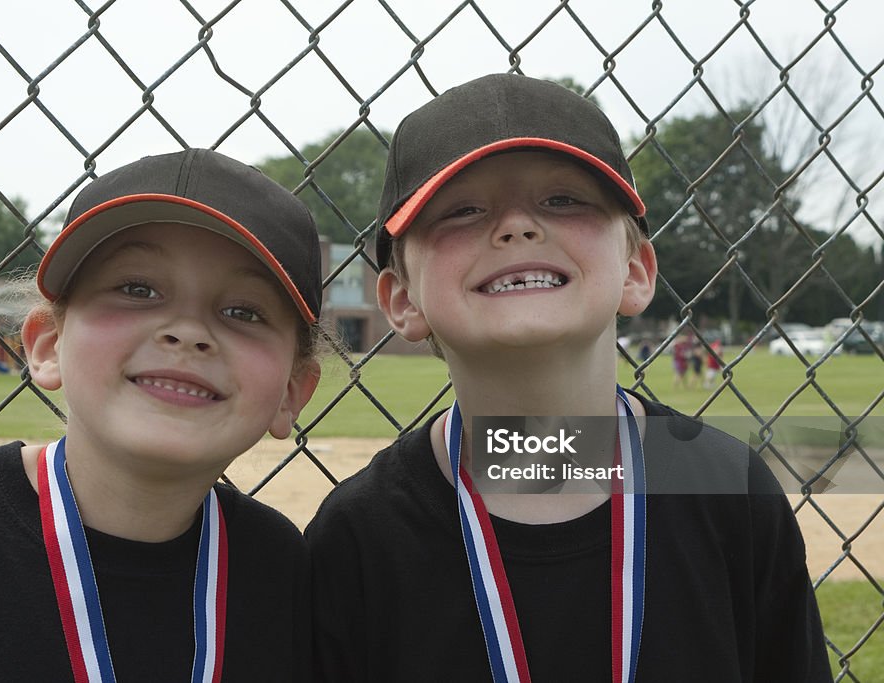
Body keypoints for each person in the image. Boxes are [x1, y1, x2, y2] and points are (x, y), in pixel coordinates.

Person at [305, 74, 830, 682]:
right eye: (464, 210)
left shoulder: (727, 492)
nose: (517, 227)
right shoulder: (357, 539)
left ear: (635, 268)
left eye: (563, 200)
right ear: (401, 300)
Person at [0, 149, 323, 682]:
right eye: (137, 289)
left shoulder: (278, 569)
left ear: (292, 391)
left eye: (243, 312)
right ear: (47, 346)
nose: (187, 331)